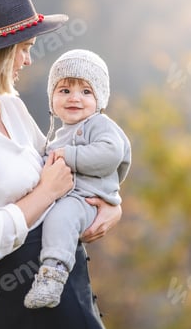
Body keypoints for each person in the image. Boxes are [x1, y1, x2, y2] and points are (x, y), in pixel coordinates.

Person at [0, 0, 121, 328]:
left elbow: (63, 164)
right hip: (22, 296)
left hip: (68, 280)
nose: (29, 60)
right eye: (24, 48)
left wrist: (111, 203)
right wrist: (45, 193)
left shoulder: (7, 104)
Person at [23, 49, 131, 309]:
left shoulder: (100, 125)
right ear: (52, 98)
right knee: (35, 210)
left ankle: (53, 274)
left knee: (62, 217)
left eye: (86, 92)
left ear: (100, 98)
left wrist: (69, 155)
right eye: (64, 91)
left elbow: (110, 154)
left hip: (86, 199)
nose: (74, 99)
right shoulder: (59, 133)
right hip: (67, 194)